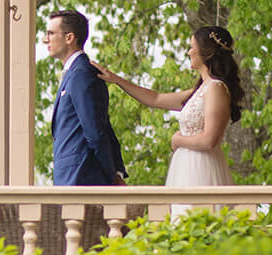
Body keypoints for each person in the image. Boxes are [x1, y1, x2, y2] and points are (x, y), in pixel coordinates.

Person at [93, 25, 245, 190]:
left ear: (206, 51)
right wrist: (116, 79)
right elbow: (156, 98)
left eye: (191, 47)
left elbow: (210, 140)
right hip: (186, 168)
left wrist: (178, 140)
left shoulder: (216, 88)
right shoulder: (199, 90)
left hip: (202, 168)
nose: (188, 52)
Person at [44, 9, 126, 186]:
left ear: (69, 37)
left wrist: (112, 176)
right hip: (71, 177)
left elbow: (96, 130)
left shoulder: (82, 74)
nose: (45, 39)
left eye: (50, 33)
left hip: (81, 178)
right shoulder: (74, 73)